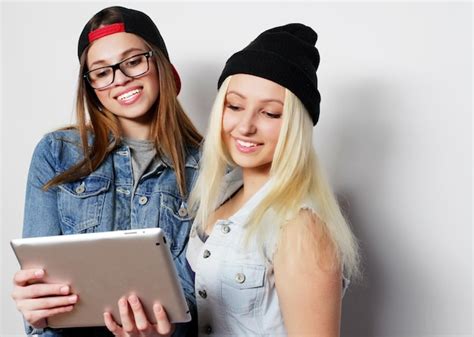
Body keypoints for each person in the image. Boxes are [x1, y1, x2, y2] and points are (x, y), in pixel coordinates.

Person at [11, 6, 202, 337]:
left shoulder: (210, 167)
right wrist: (35, 304)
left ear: (159, 63)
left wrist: (167, 330)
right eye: (101, 72)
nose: (121, 79)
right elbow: (40, 303)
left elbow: (205, 303)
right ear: (91, 87)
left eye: (133, 61)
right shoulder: (56, 153)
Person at [185, 23, 361, 336]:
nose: (245, 126)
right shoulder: (221, 195)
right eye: (235, 106)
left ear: (296, 125)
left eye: (270, 113)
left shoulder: (301, 228)